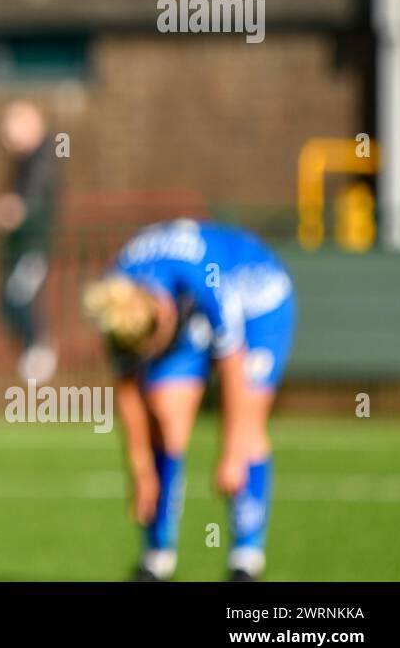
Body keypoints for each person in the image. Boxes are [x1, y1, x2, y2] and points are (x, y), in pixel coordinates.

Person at [82, 218, 296, 582]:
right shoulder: (118, 301)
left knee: (248, 430)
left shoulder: (204, 278)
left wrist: (230, 452)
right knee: (165, 420)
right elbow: (128, 386)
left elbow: (232, 366)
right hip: (188, 312)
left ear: (162, 318)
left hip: (259, 303)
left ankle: (245, 559)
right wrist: (141, 468)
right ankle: (157, 558)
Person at [0, 99, 57, 383]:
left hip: (33, 245)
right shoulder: (23, 159)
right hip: (22, 245)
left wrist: (16, 210)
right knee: (9, 299)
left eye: (12, 125)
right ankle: (32, 351)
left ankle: (39, 350)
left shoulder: (44, 155)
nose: (7, 134)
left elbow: (35, 197)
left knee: (17, 296)